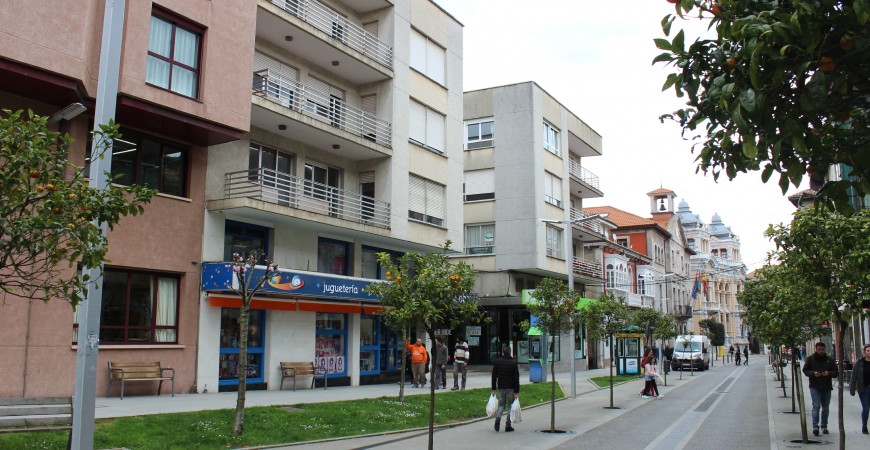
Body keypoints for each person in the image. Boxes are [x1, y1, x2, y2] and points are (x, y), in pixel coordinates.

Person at [803, 342, 838, 436]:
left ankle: (824, 426)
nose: (821, 351)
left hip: (826, 387)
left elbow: (836, 372)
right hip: (815, 386)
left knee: (825, 408)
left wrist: (828, 373)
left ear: (825, 349)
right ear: (816, 349)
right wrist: (813, 374)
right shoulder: (810, 359)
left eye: (822, 350)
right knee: (816, 406)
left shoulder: (829, 360)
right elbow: (805, 370)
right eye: (819, 350)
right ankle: (815, 426)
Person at [491, 346, 519, 433]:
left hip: (501, 387)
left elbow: (494, 375)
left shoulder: (497, 362)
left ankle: (498, 419)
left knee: (501, 405)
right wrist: (516, 391)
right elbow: (516, 378)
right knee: (510, 405)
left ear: (503, 352)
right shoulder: (513, 363)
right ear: (510, 352)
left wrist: (493, 388)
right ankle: (508, 425)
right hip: (511, 387)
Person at [848, 343, 870, 434]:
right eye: (868, 351)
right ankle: (864, 426)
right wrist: (852, 389)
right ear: (864, 352)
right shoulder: (859, 362)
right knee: (866, 409)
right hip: (864, 389)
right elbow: (854, 376)